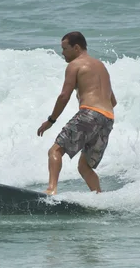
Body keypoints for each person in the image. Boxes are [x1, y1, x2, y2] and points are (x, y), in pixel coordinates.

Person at [37, 31, 117, 195]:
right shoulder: (101, 66)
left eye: (65, 49)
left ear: (76, 47)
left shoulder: (75, 65)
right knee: (84, 167)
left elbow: (63, 96)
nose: (62, 53)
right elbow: (113, 101)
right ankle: (99, 198)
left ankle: (51, 190)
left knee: (55, 151)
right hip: (108, 118)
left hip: (90, 113)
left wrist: (51, 121)